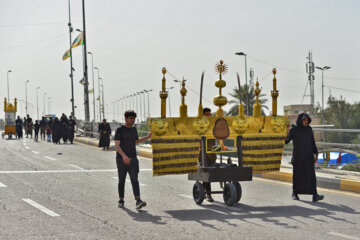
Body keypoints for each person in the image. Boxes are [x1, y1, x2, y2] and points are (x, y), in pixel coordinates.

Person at [115, 110, 151, 209]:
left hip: (133, 159)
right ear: (125, 118)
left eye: (134, 118)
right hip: (121, 159)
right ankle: (121, 200)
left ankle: (138, 200)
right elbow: (117, 146)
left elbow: (136, 141)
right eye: (130, 118)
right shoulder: (120, 130)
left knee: (135, 179)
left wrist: (147, 137)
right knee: (121, 180)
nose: (133, 120)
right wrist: (123, 156)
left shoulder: (134, 130)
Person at [285, 113, 324, 203]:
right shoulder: (294, 129)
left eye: (307, 120)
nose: (306, 122)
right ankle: (295, 193)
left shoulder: (309, 129)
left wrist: (316, 154)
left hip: (308, 157)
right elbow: (286, 141)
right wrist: (286, 131)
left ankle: (315, 195)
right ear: (300, 120)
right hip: (298, 158)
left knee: (311, 176)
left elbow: (312, 142)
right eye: (304, 120)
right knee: (297, 176)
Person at [199, 108, 217, 202]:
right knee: (206, 173)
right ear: (203, 115)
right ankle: (208, 194)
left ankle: (206, 192)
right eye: (207, 114)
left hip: (212, 153)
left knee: (210, 172)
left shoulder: (212, 125)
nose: (209, 116)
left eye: (210, 114)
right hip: (202, 153)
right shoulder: (200, 125)